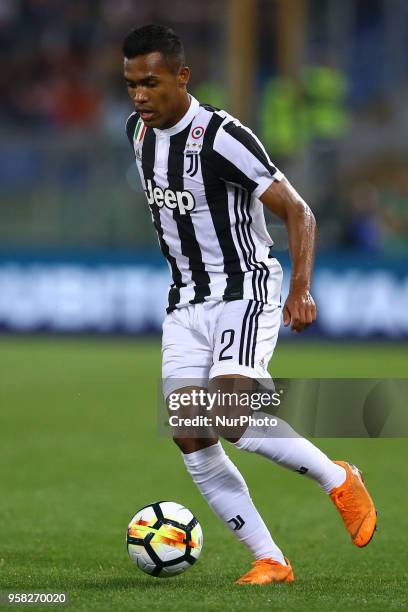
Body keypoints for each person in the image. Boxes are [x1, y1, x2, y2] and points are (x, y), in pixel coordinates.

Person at [123, 25, 377, 585]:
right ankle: (271, 560)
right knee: (190, 430)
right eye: (131, 84)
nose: (140, 95)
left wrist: (301, 288)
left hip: (244, 290)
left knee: (230, 414)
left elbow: (299, 211)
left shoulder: (221, 136)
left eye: (151, 82)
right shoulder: (137, 134)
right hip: (185, 301)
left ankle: (338, 478)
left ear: (181, 78)